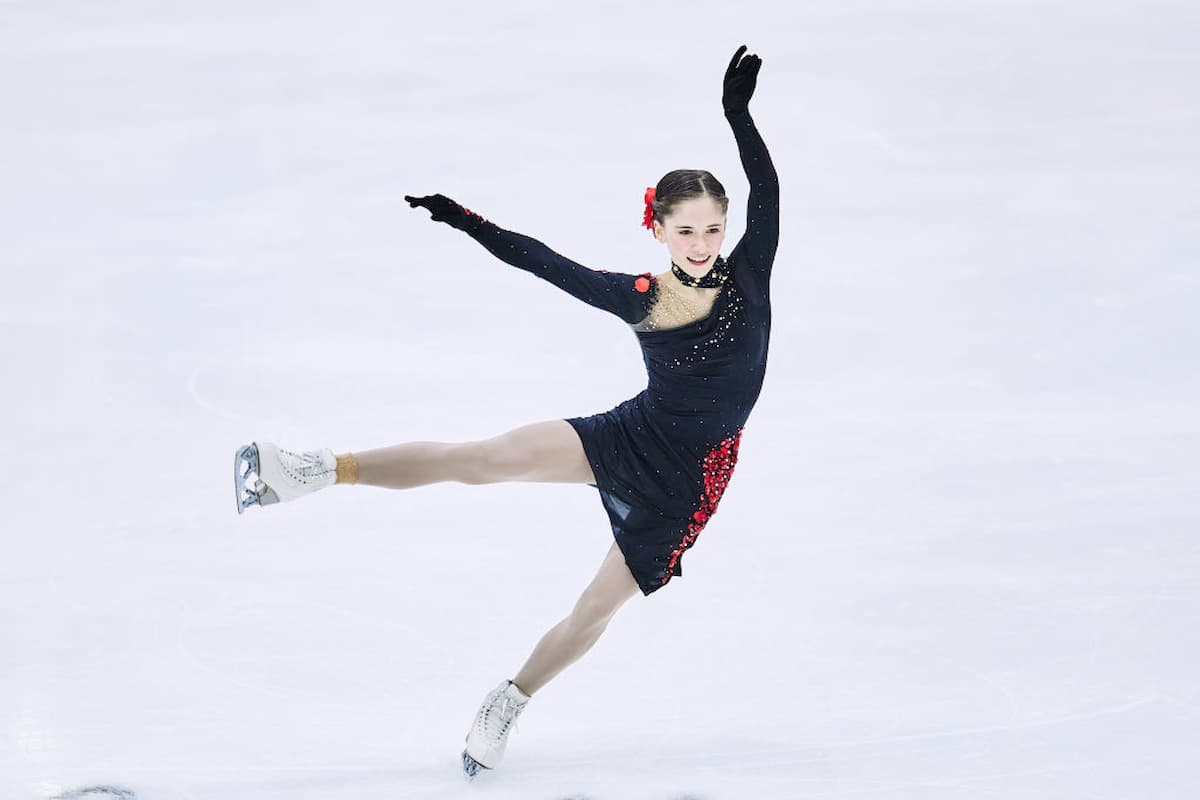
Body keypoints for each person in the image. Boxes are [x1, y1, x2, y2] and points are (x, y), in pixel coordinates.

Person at [232, 44, 778, 778]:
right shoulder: (642, 298)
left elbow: (768, 188)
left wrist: (737, 117)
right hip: (634, 433)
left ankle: (509, 700)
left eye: (714, 228)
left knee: (594, 608)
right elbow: (541, 260)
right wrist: (466, 221)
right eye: (688, 230)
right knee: (482, 459)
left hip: (691, 483)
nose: (705, 244)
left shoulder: (750, 270)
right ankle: (315, 471)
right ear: (659, 231)